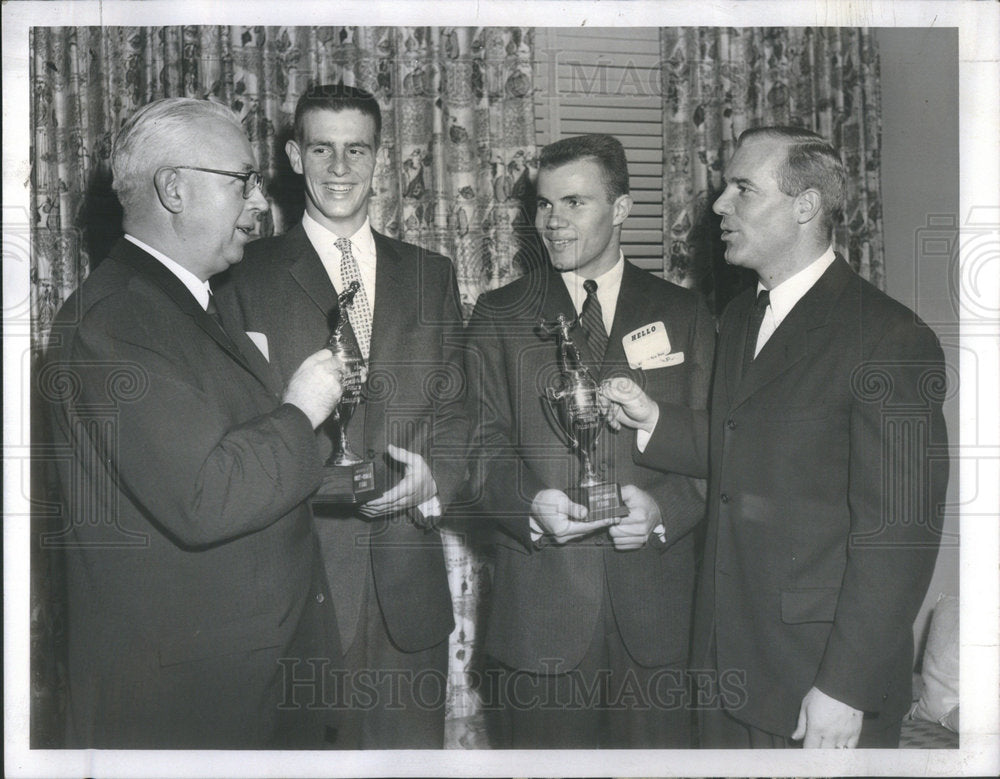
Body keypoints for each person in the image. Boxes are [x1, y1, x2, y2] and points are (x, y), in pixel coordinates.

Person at [603, 126, 949, 748]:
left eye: (742, 189)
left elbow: (899, 533)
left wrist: (846, 688)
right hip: (723, 665)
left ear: (806, 206)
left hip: (816, 680)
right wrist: (655, 419)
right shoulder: (740, 316)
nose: (718, 206)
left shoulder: (890, 339)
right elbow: (746, 449)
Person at [44, 97, 346, 748]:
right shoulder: (118, 319)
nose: (261, 204)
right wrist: (303, 407)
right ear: (174, 188)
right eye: (242, 181)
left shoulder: (182, 304)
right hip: (184, 709)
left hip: (236, 688)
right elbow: (204, 496)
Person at [215, 84, 467, 749]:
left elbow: (461, 411)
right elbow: (229, 431)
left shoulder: (430, 274)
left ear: (379, 158)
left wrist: (435, 478)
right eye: (321, 149)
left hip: (408, 598)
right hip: (295, 594)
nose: (339, 168)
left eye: (357, 150)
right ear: (295, 156)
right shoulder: (242, 274)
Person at [464, 134, 716, 748]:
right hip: (540, 618)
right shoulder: (499, 315)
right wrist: (529, 506)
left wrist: (665, 512)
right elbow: (475, 447)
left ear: (623, 208)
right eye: (545, 205)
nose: (553, 222)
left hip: (657, 622)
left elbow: (719, 445)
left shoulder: (686, 314)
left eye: (575, 203)